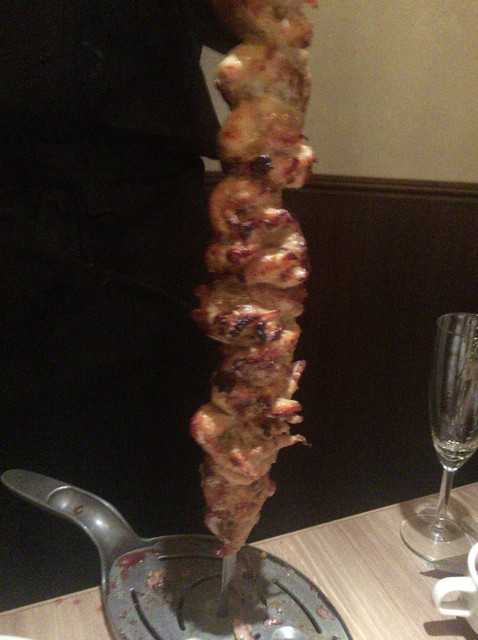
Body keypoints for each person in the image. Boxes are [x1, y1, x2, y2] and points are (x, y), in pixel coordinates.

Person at [0, 0, 237, 610]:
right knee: (18, 495)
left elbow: (242, 22)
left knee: (161, 473)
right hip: (11, 212)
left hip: (150, 221)